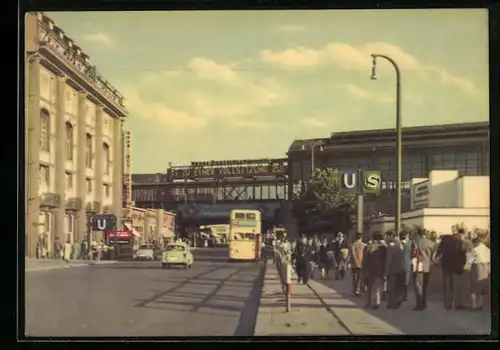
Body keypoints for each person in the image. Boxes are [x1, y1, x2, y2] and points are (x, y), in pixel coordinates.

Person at [436, 228, 470, 310]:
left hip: (446, 265)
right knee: (457, 285)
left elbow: (439, 251)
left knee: (447, 284)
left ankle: (448, 304)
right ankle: (458, 304)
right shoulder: (458, 242)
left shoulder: (445, 241)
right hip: (456, 266)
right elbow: (463, 253)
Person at [411, 228, 437, 311]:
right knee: (425, 285)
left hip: (418, 266)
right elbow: (435, 255)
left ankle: (419, 304)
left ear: (418, 233)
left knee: (419, 286)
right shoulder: (431, 243)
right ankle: (424, 303)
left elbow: (413, 254)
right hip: (427, 266)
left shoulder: (415, 242)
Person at [362, 233, 387, 309]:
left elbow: (365, 259)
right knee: (376, 288)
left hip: (371, 270)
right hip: (378, 270)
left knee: (371, 287)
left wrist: (364, 269)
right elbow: (385, 260)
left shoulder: (369, 247)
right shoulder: (383, 248)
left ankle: (370, 302)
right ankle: (376, 302)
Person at [467, 237, 490, 311]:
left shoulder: (474, 250)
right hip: (485, 267)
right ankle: (480, 304)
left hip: (476, 267)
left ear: (475, 243)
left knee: (473, 286)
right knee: (482, 286)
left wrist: (467, 269)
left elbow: (469, 261)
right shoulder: (487, 249)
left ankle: (474, 305)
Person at [384, 231, 405, 308]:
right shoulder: (400, 244)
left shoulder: (391, 245)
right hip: (401, 268)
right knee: (398, 287)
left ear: (390, 236)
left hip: (392, 269)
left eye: (386, 236)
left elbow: (389, 259)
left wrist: (386, 271)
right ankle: (398, 299)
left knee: (390, 287)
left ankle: (392, 302)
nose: (385, 238)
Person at [399, 232, 412, 301]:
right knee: (406, 281)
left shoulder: (398, 244)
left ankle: (400, 295)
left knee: (399, 281)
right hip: (407, 264)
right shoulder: (410, 244)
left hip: (398, 265)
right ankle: (405, 295)